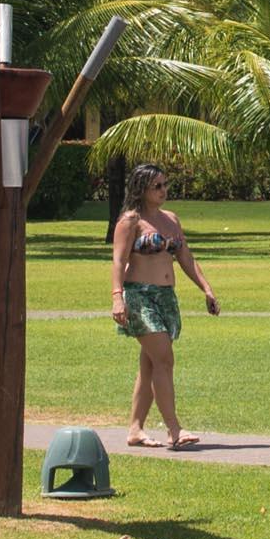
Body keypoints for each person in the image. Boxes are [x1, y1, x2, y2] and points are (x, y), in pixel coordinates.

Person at [109, 163, 219, 449]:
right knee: (164, 360)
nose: (163, 190)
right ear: (142, 189)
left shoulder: (171, 219)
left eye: (165, 184)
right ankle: (175, 430)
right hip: (139, 296)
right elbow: (119, 261)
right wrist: (117, 297)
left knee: (150, 364)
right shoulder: (130, 221)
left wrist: (206, 289)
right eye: (157, 186)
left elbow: (186, 258)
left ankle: (135, 429)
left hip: (166, 298)